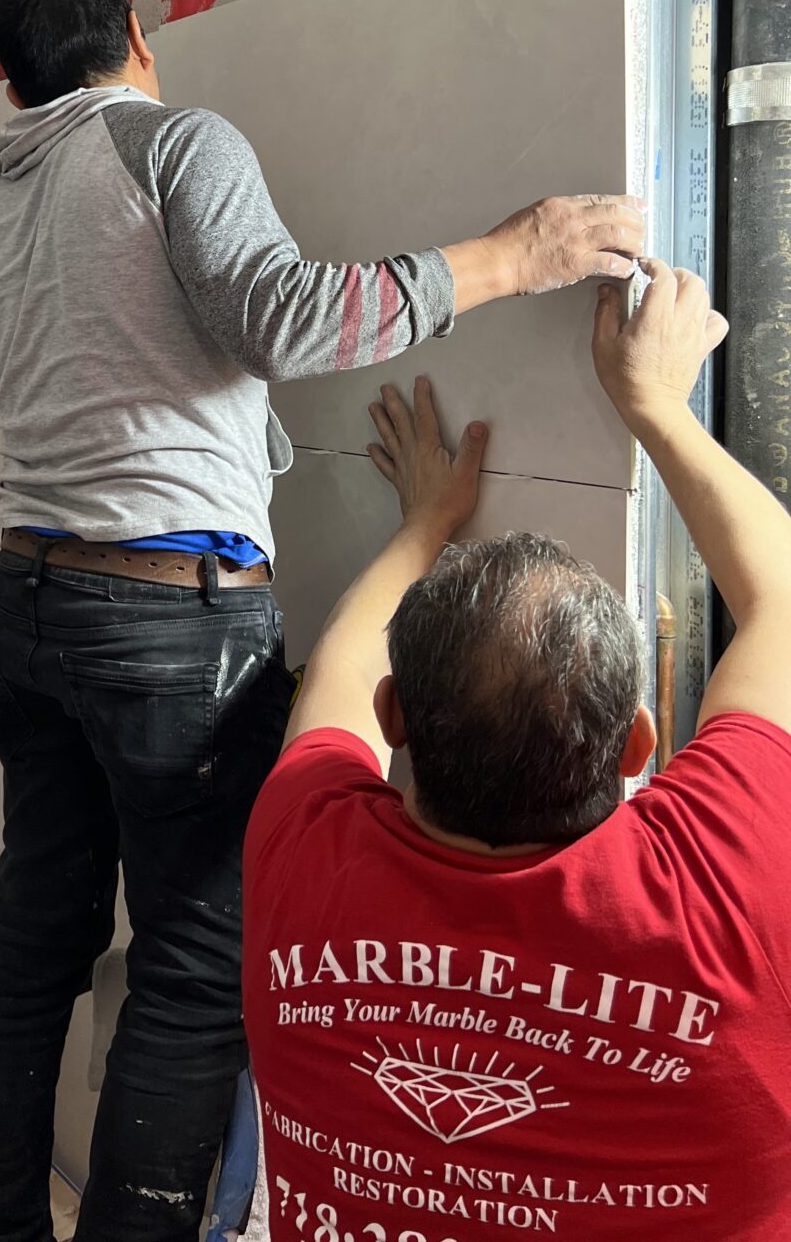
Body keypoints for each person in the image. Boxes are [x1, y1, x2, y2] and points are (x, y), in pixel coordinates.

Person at [0, 0, 647, 1242]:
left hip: (29, 603)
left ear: (14, 86)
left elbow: (144, 364)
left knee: (36, 938)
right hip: (161, 619)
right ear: (139, 42)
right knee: (193, 969)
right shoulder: (169, 139)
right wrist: (514, 254)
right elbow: (280, 318)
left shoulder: (11, 190)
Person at [243, 260, 791, 1238]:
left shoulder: (299, 864)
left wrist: (424, 524)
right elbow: (782, 604)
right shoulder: (727, 901)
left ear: (396, 719)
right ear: (638, 745)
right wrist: (653, 403)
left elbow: (334, 677)